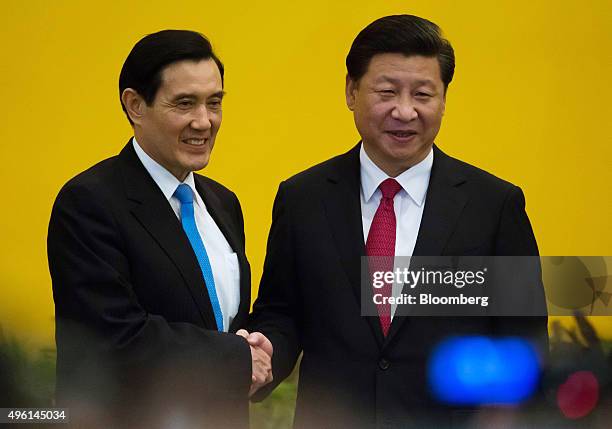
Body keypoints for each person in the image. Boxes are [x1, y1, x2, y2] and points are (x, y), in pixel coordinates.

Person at [247, 15, 548, 428]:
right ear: (352, 92)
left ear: (444, 100)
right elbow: (281, 313)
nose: (404, 111)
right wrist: (262, 357)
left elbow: (522, 343)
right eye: (386, 92)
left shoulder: (494, 205)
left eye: (423, 94)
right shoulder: (302, 198)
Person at [47, 30, 272, 428]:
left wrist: (264, 350)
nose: (204, 122)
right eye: (184, 103)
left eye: (214, 103)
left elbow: (226, 324)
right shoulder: (89, 202)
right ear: (135, 105)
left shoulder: (223, 203)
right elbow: (114, 340)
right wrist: (237, 359)